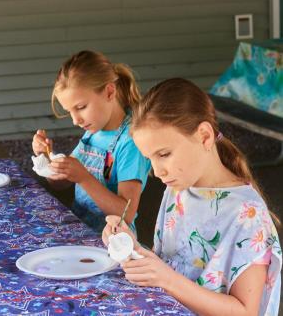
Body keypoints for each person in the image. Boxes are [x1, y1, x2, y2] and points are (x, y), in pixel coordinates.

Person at [102, 78, 281, 315]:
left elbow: (244, 311)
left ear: (204, 136)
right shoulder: (177, 189)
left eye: (164, 154)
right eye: (150, 159)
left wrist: (166, 279)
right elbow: (171, 264)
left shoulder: (247, 214)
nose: (157, 171)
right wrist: (130, 246)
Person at [32, 50, 151, 232]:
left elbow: (126, 214)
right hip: (81, 230)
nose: (75, 120)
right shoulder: (94, 132)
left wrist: (84, 178)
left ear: (109, 92)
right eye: (69, 111)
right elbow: (62, 182)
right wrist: (46, 160)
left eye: (81, 107)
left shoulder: (130, 141)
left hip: (112, 242)